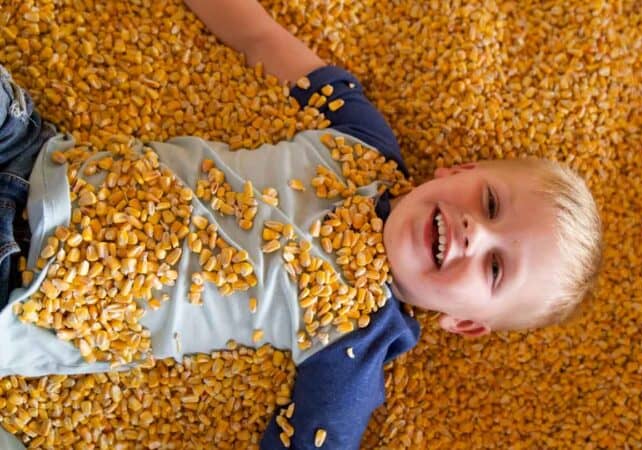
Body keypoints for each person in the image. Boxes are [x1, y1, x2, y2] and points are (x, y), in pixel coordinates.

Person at [0, 1, 602, 448]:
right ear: (458, 169)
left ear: (465, 324)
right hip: (34, 157)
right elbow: (260, 38)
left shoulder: (358, 343)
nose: (477, 232)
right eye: (491, 203)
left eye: (497, 267)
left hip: (31, 300)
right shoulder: (361, 140)